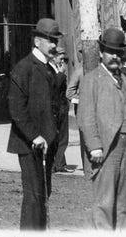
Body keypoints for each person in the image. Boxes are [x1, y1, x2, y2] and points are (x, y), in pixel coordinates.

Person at [79, 27, 126, 230]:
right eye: (110, 52)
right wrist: (94, 146)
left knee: (122, 201)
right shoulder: (91, 80)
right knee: (105, 201)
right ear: (101, 53)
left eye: (118, 53)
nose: (115, 56)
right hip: (107, 147)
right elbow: (86, 116)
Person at [7, 19, 63, 231]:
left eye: (55, 40)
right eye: (50, 40)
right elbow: (16, 109)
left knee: (43, 194)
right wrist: (34, 136)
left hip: (46, 143)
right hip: (29, 144)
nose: (54, 45)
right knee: (33, 196)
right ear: (37, 40)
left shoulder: (47, 68)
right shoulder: (24, 68)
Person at [51, 42, 79, 174]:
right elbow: (53, 87)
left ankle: (60, 163)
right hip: (54, 108)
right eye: (60, 58)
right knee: (58, 137)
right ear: (53, 57)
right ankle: (56, 164)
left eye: (64, 59)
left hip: (62, 108)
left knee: (62, 138)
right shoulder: (51, 71)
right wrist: (61, 74)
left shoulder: (58, 70)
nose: (62, 61)